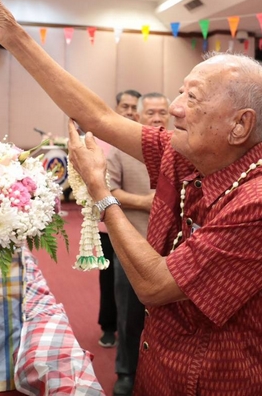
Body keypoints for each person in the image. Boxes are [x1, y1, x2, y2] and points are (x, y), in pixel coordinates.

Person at [0, 0, 262, 394]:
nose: (174, 109)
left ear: (240, 125)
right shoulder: (189, 153)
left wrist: (100, 192)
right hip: (160, 365)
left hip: (220, 382)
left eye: (192, 99)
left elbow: (156, 286)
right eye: (181, 92)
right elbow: (100, 118)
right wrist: (12, 36)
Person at [107, 92, 168, 395]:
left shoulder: (178, 151)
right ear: (140, 116)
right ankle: (126, 372)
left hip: (171, 251)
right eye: (151, 113)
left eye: (163, 112)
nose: (157, 118)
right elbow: (107, 191)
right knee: (129, 314)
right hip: (131, 245)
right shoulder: (121, 150)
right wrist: (144, 202)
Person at [97, 89, 142, 349]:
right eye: (124, 106)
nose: (129, 111)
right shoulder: (103, 139)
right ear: (116, 107)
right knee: (109, 277)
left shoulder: (142, 139)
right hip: (108, 223)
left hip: (137, 225)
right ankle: (108, 326)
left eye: (133, 106)